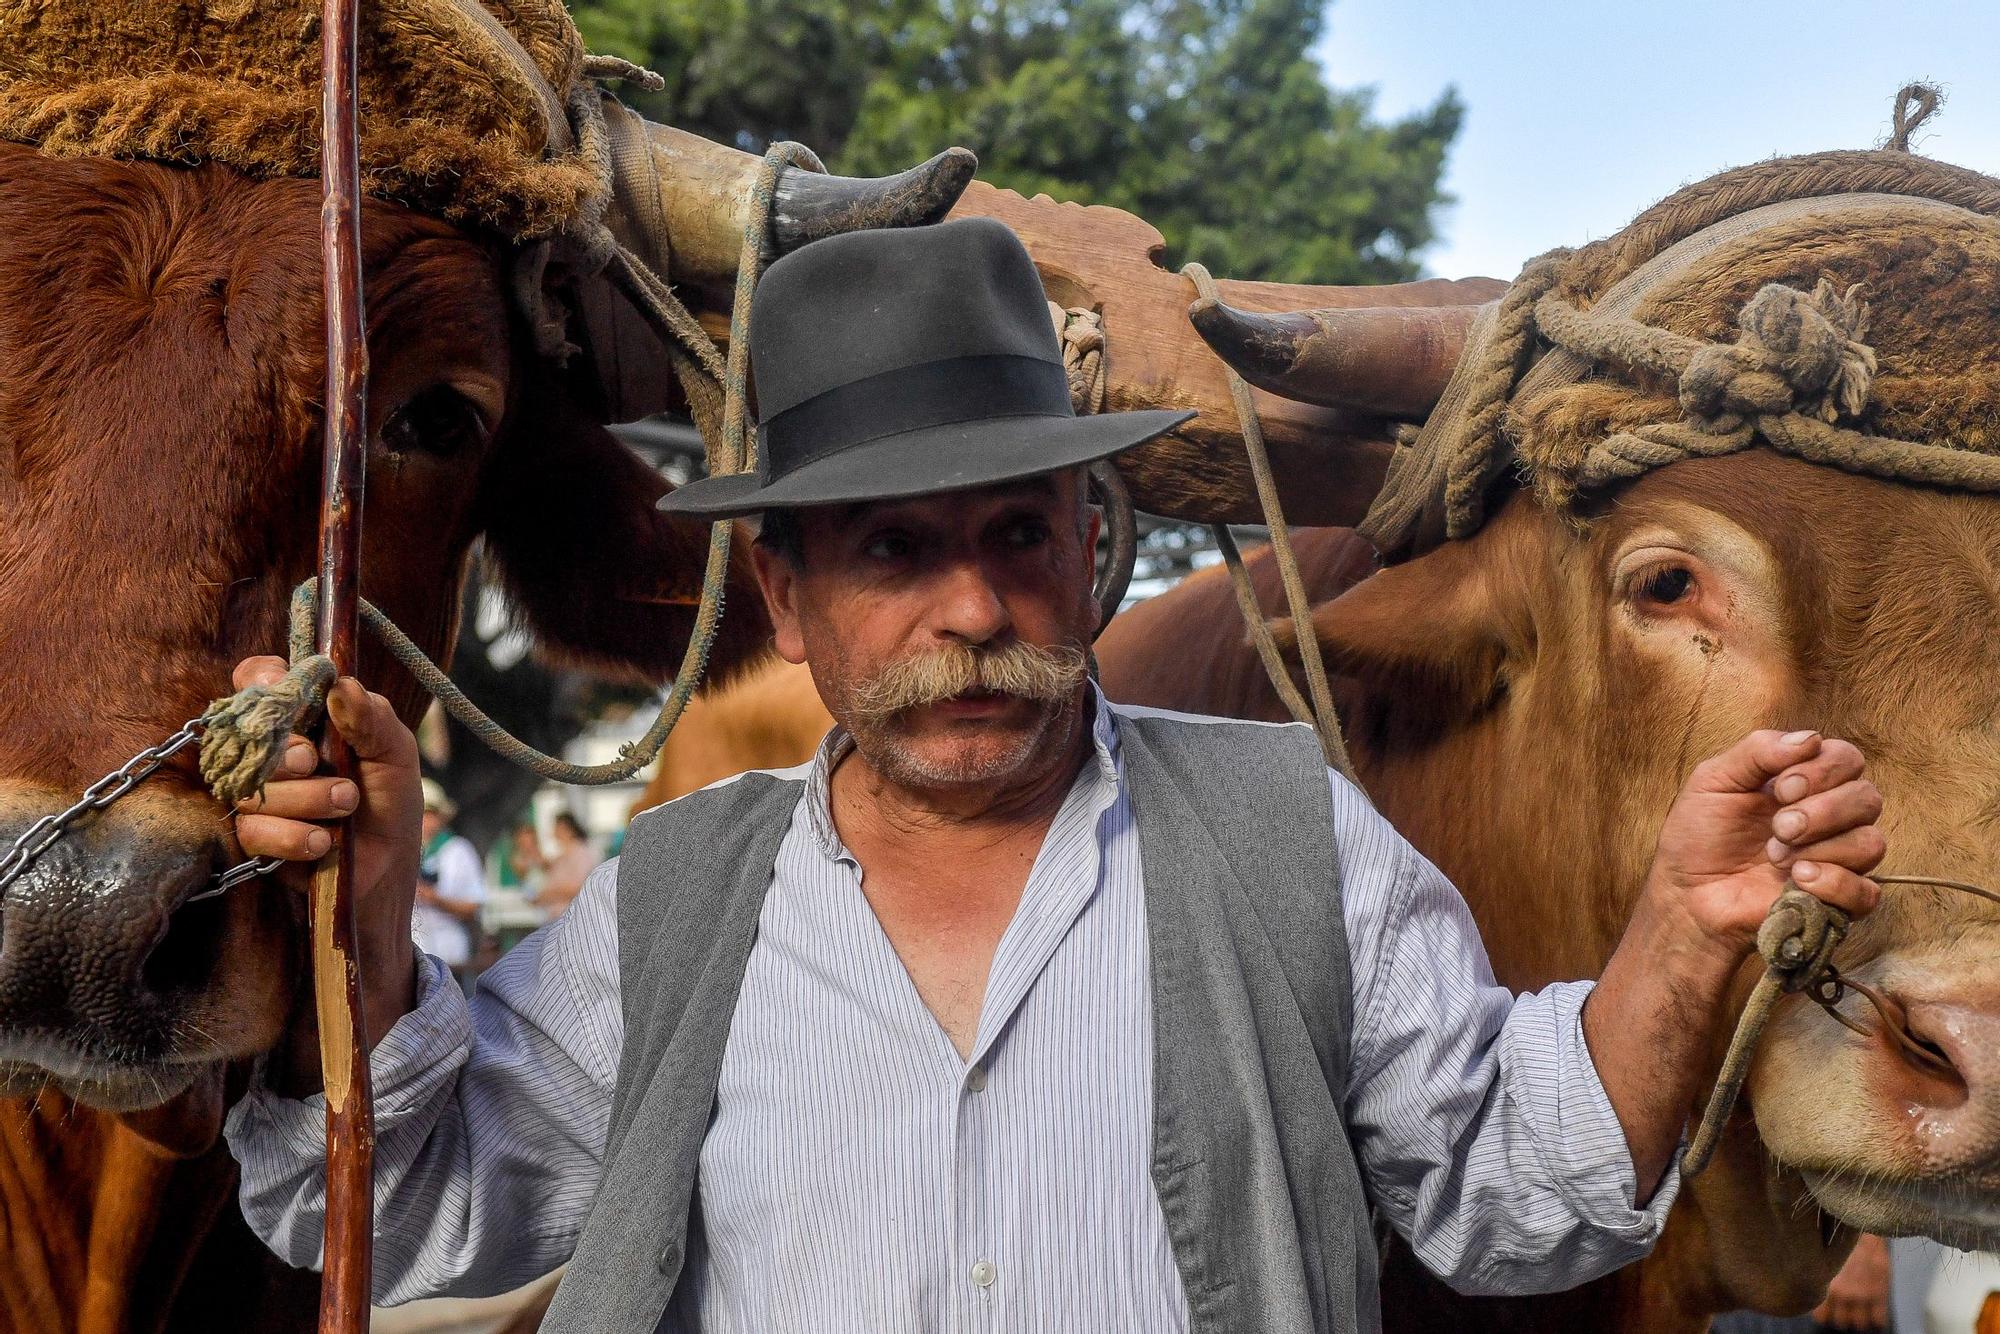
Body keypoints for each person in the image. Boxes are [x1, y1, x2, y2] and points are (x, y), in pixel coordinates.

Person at [220, 219, 1886, 1333]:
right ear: (790, 600)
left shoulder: (1281, 829)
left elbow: (1517, 1193)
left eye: (1016, 532)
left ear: (1090, 553)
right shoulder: (677, 893)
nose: (970, 606)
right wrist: (360, 938)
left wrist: (1683, 923)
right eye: (894, 548)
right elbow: (410, 1211)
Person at [412, 778, 484, 984]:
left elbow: (472, 905)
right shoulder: (402, 852)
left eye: (430, 814)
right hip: (411, 956)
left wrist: (435, 899)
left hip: (450, 955)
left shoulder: (458, 851)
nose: (425, 821)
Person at [533, 811, 598, 919]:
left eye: (557, 827)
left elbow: (580, 887)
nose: (554, 831)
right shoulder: (563, 854)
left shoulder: (580, 852)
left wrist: (550, 894)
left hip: (572, 916)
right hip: (556, 915)